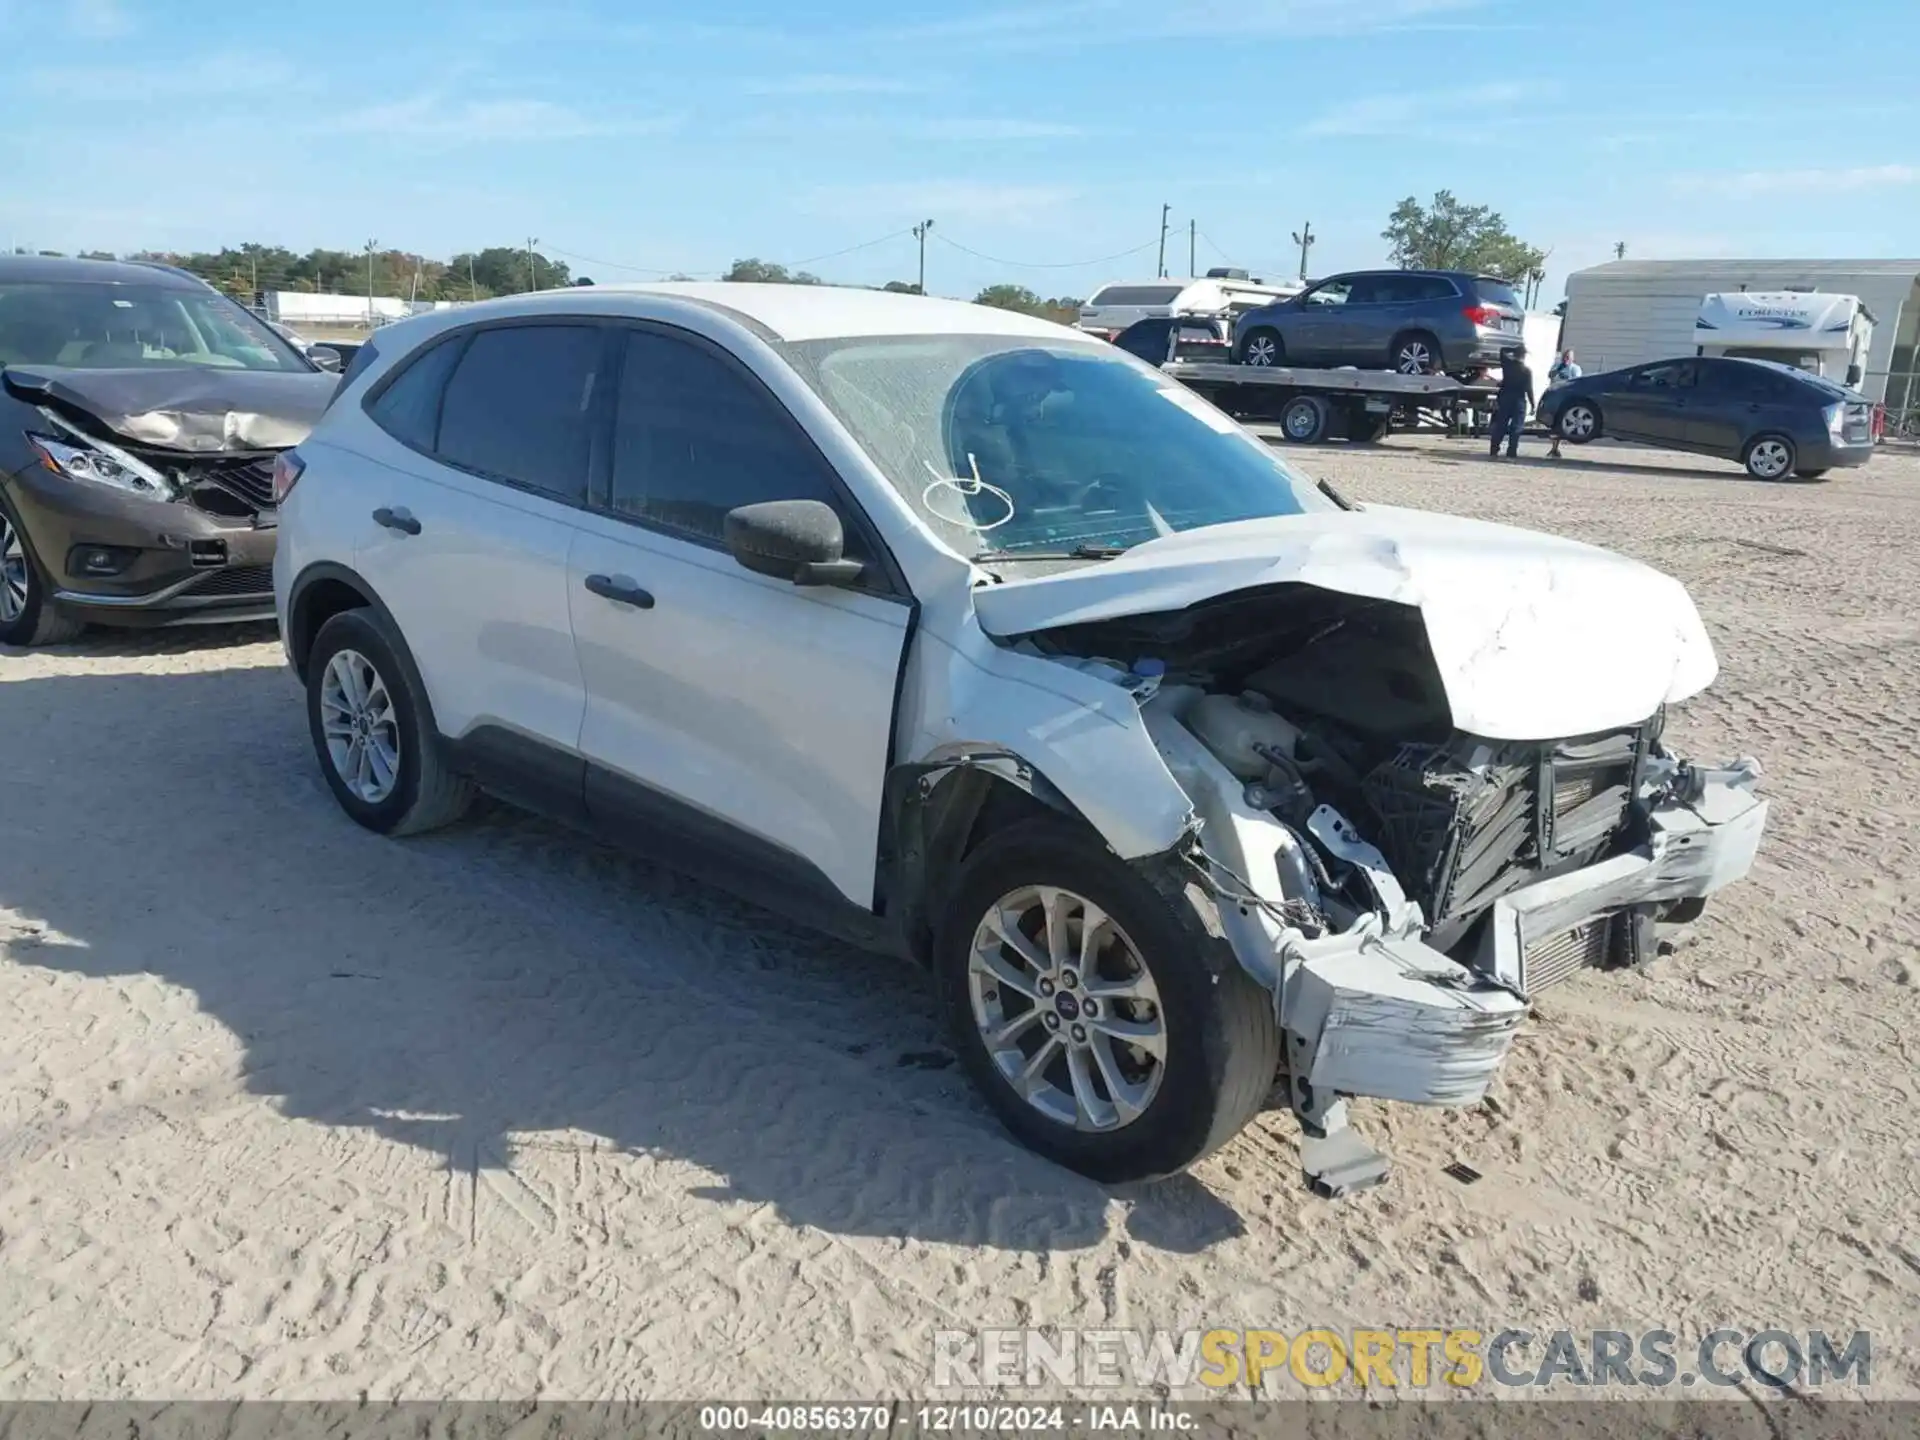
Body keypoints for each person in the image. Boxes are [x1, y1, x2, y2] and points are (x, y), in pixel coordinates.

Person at [1489, 345, 1533, 459]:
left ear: (1515, 354)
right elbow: (1529, 389)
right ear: (1524, 356)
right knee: (1516, 427)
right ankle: (1511, 451)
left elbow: (1502, 350)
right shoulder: (1526, 371)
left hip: (1505, 398)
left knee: (1501, 425)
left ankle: (1494, 449)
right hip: (1519, 400)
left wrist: (1513, 349)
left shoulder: (1507, 365)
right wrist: (1533, 404)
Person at [1545, 347, 1582, 458]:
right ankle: (1554, 448)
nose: (1566, 359)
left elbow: (1577, 382)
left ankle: (1556, 447)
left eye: (1568, 357)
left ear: (1572, 359)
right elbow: (1550, 376)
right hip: (1555, 397)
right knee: (1553, 423)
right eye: (1565, 357)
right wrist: (1559, 369)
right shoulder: (1557, 366)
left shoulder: (1575, 369)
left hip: (1567, 399)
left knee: (1561, 423)